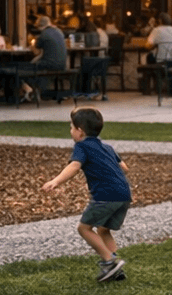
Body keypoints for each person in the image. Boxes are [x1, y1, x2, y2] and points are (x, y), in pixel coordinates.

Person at [41, 105, 131, 282]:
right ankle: (116, 270)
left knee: (84, 228)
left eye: (71, 127)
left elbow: (74, 166)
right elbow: (125, 168)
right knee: (103, 230)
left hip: (105, 195)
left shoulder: (82, 146)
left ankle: (110, 261)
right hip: (124, 194)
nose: (71, 131)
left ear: (80, 132)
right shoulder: (108, 148)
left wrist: (56, 181)